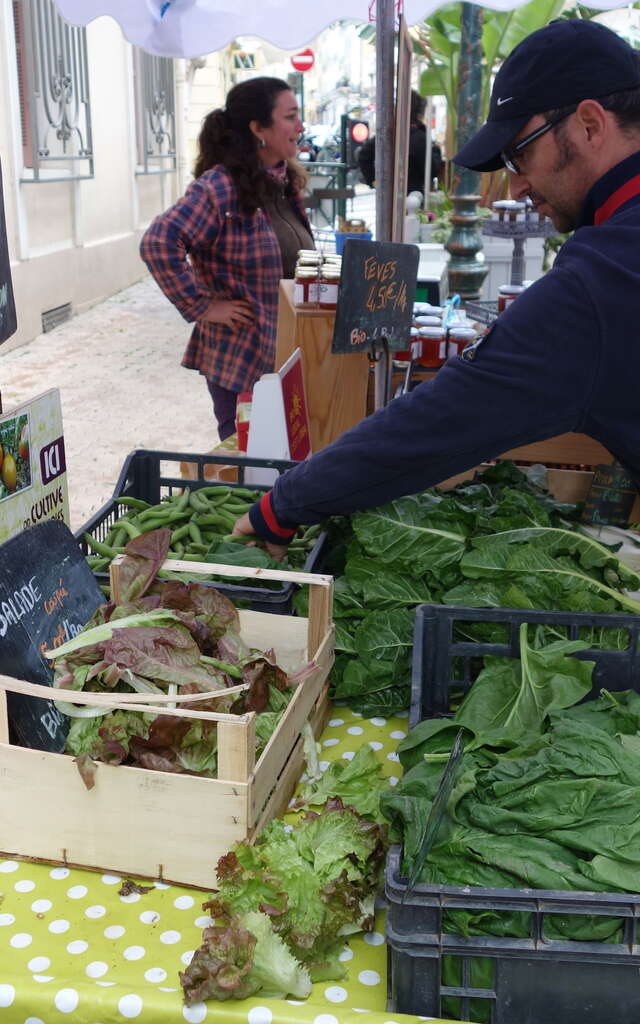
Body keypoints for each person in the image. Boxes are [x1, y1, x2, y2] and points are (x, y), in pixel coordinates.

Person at [234, 18, 640, 555]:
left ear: (589, 124)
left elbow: (446, 418)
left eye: (521, 156)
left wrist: (276, 509)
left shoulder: (606, 274)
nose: (516, 185)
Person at [140, 77, 314, 441]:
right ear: (258, 129)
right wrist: (203, 306)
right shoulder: (220, 188)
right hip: (242, 362)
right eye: (290, 116)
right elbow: (159, 242)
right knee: (248, 466)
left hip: (284, 359)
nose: (300, 126)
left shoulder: (283, 183)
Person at [357, 90, 443, 194]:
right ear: (419, 111)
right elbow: (430, 170)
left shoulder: (390, 133)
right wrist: (436, 151)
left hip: (389, 194)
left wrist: (373, 180)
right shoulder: (419, 137)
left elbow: (363, 154)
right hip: (413, 194)